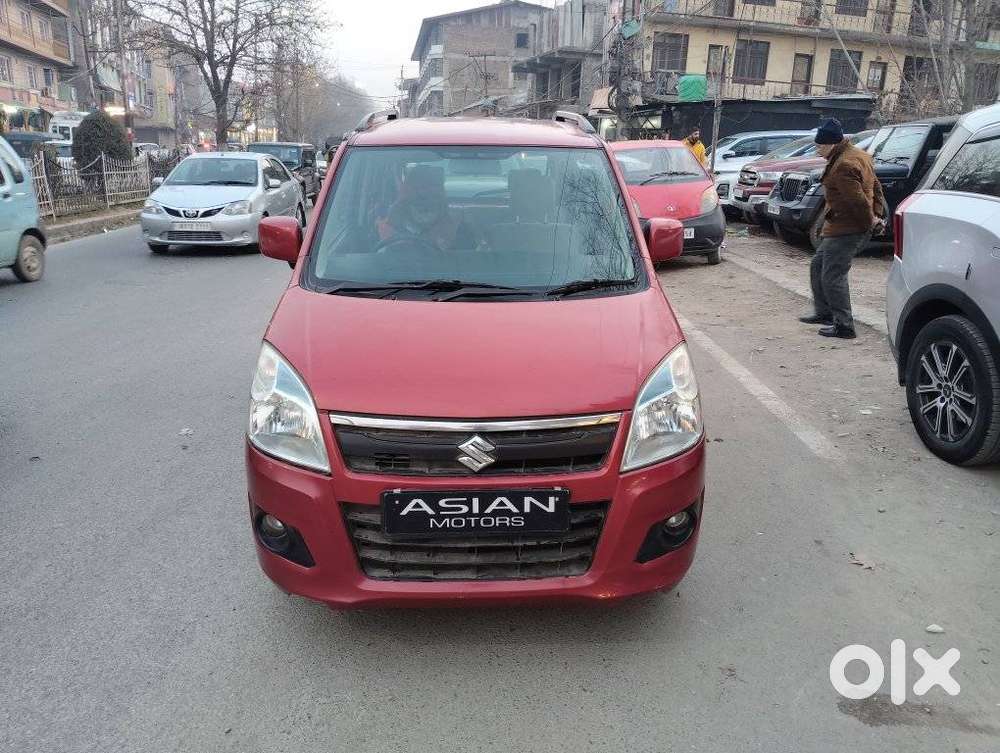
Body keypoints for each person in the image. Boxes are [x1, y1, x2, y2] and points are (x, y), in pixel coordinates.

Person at [799, 118, 886, 339]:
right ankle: (825, 313)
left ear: (832, 144)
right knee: (818, 265)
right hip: (841, 224)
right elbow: (876, 185)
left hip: (849, 227)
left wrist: (872, 221)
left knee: (833, 275)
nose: (817, 150)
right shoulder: (857, 155)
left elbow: (857, 201)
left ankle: (844, 325)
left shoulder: (844, 165)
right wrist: (878, 211)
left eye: (820, 146)